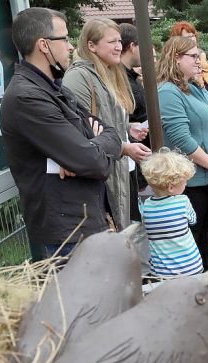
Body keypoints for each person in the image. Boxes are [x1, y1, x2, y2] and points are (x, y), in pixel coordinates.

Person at [1, 8, 123, 260]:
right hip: (69, 232)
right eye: (65, 39)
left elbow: (109, 133)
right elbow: (93, 162)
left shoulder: (53, 85)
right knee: (84, 300)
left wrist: (88, 146)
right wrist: (87, 150)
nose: (70, 47)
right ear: (44, 45)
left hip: (86, 219)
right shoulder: (27, 96)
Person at [62, 18, 151, 232]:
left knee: (128, 233)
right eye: (112, 41)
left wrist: (128, 128)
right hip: (104, 174)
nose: (119, 46)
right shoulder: (78, 77)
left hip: (123, 169)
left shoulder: (111, 71)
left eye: (119, 40)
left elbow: (105, 118)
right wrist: (124, 147)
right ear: (91, 45)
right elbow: (81, 130)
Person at [157, 36, 208, 270]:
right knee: (194, 236)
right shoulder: (168, 92)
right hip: (192, 181)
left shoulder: (194, 87)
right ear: (176, 58)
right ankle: (196, 290)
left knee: (202, 235)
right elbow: (182, 140)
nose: (199, 61)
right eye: (193, 56)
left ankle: (205, 284)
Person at [138, 149, 204, 276]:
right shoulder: (182, 201)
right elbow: (193, 220)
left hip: (162, 271)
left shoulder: (147, 206)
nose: (186, 184)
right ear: (171, 187)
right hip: (190, 266)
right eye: (184, 181)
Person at [118, 22, 150, 222]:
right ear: (132, 46)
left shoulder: (130, 77)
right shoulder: (121, 79)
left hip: (139, 155)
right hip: (132, 159)